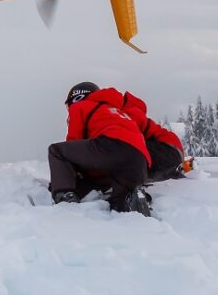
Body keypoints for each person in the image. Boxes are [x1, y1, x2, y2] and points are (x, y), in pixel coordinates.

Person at [48, 81, 152, 215]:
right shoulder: (115, 111)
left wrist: (62, 180)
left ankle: (65, 199)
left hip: (110, 145)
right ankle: (131, 198)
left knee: (57, 151)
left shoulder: (81, 106)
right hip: (139, 157)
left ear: (77, 97)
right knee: (120, 203)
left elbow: (75, 140)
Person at [119, 91, 188, 182]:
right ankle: (173, 171)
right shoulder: (127, 110)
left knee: (129, 152)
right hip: (171, 149)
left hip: (168, 147)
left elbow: (133, 130)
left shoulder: (129, 111)